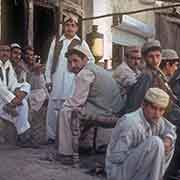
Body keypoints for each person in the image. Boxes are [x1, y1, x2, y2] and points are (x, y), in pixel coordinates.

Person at [57, 45, 124, 165]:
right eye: (70, 62)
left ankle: (66, 154)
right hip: (113, 108)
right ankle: (84, 145)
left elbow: (77, 101)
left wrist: (65, 104)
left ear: (85, 60)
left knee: (66, 111)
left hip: (106, 111)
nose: (72, 65)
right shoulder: (95, 68)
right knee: (77, 109)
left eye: (75, 61)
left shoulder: (85, 73)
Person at [106, 87, 176, 180]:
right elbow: (116, 157)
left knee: (169, 143)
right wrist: (145, 152)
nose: (157, 114)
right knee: (156, 143)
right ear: (143, 104)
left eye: (161, 110)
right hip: (119, 172)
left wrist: (168, 140)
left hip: (138, 170)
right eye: (154, 108)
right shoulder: (130, 122)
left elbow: (170, 129)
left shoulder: (157, 120)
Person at [45, 12, 95, 141]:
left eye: (73, 25)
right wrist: (48, 79)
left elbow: (90, 60)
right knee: (53, 107)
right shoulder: (57, 41)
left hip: (72, 80)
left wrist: (80, 73)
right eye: (67, 25)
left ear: (77, 28)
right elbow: (50, 61)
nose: (70, 28)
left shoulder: (81, 43)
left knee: (68, 107)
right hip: (56, 78)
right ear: (63, 27)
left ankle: (66, 137)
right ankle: (52, 136)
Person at [0, 44, 35, 147]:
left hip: (7, 100)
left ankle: (23, 137)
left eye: (7, 51)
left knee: (26, 86)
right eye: (2, 50)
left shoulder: (7, 65)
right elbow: (1, 88)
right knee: (22, 104)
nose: (5, 53)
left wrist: (16, 93)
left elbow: (13, 83)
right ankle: (24, 137)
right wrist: (12, 99)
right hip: (2, 99)